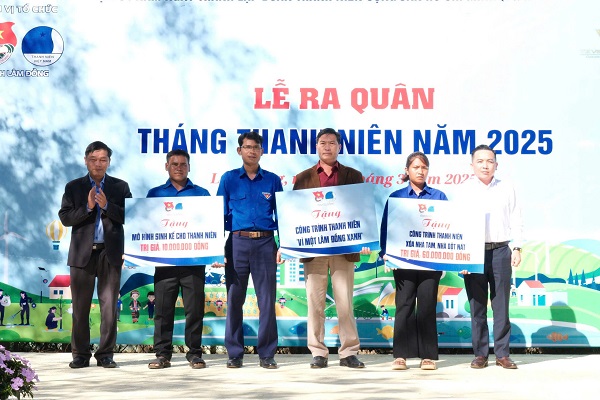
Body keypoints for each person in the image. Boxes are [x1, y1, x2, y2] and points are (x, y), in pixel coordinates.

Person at [293, 128, 368, 369]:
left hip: (343, 249)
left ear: (339, 147)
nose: (327, 147)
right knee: (315, 303)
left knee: (345, 303)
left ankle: (348, 352)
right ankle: (318, 352)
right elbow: (295, 214)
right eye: (323, 143)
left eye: (332, 143)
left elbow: (362, 211)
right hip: (314, 250)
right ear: (317, 146)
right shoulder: (303, 178)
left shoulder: (353, 176)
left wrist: (364, 239)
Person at [58, 140, 132, 369]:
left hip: (110, 254)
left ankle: (106, 354)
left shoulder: (120, 187)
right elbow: (65, 218)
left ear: (109, 161)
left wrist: (107, 205)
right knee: (80, 308)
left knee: (109, 308)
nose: (98, 164)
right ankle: (80, 355)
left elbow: (131, 216)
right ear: (85, 161)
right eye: (93, 160)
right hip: (82, 255)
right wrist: (88, 207)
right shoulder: (74, 187)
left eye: (103, 160)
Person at [217, 131, 282, 369]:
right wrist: (217, 248)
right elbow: (218, 214)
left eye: (256, 147)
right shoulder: (229, 179)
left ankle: (267, 354)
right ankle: (235, 353)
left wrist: (283, 245)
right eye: (247, 147)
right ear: (239, 150)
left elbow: (282, 215)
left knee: (267, 300)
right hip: (237, 243)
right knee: (235, 299)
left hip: (265, 244)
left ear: (262, 151)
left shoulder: (272, 180)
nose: (251, 151)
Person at [378, 151, 448, 371]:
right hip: (403, 261)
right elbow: (386, 228)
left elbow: (449, 228)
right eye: (416, 167)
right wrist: (385, 254)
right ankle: (401, 356)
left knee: (427, 307)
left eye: (424, 167)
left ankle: (427, 357)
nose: (420, 171)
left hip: (430, 262)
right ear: (407, 170)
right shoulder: (396, 197)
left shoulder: (439, 197)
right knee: (405, 305)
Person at [145, 149, 210, 370]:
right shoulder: (155, 194)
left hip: (193, 263)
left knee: (195, 310)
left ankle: (195, 354)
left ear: (189, 167)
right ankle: (162, 355)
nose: (179, 168)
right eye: (174, 164)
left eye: (183, 164)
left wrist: (214, 252)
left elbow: (211, 225)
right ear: (167, 166)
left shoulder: (202, 194)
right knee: (163, 311)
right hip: (165, 263)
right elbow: (145, 226)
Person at [461, 144, 523, 370]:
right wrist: (462, 257)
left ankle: (502, 354)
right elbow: (457, 224)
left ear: (496, 164)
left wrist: (517, 248)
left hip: (501, 251)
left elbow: (516, 218)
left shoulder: (507, 187)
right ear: (472, 165)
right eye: (480, 161)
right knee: (477, 306)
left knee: (501, 306)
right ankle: (480, 354)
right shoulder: (464, 190)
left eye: (489, 161)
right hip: (473, 253)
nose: (485, 165)